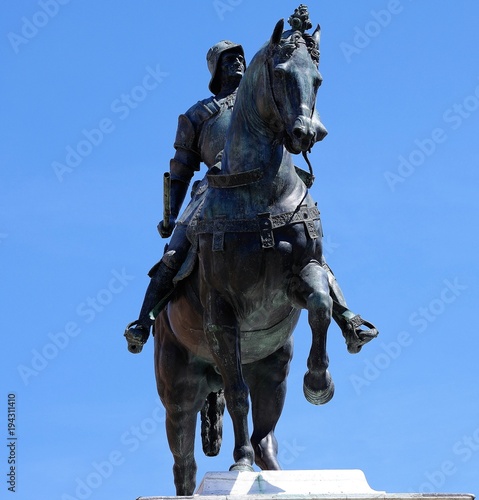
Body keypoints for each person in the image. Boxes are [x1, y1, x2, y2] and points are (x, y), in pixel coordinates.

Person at [124, 39, 377, 354]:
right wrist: (172, 214)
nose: (238, 63)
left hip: (271, 182)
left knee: (309, 247)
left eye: (240, 57)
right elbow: (180, 170)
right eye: (228, 60)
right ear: (216, 70)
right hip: (217, 188)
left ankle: (346, 318)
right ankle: (143, 323)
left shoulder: (265, 97)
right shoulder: (197, 115)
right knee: (174, 255)